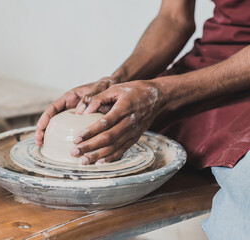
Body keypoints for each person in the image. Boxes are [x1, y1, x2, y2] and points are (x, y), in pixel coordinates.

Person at [35, 0, 250, 239]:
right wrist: (115, 83)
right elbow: (173, 19)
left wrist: (163, 93)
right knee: (110, 156)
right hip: (210, 63)